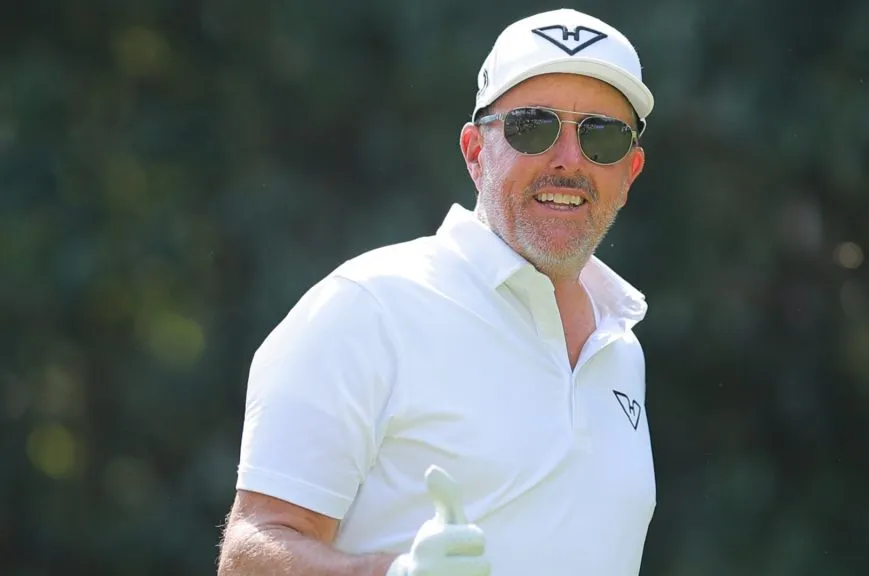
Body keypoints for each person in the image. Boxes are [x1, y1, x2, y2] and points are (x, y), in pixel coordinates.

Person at [216, 7, 656, 576]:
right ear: (475, 152)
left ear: (631, 171)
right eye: (533, 126)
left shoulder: (619, 348)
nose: (569, 159)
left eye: (602, 135)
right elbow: (249, 553)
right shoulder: (368, 307)